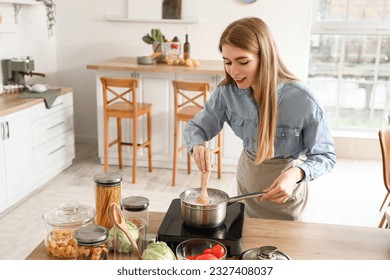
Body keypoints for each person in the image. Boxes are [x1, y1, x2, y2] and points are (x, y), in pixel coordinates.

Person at [183, 17, 336, 221]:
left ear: (264, 57)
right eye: (227, 62)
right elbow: (196, 127)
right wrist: (197, 145)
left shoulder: (304, 100)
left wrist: (295, 174)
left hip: (285, 197)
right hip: (246, 183)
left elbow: (325, 156)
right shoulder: (226, 93)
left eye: (243, 61)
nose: (233, 71)